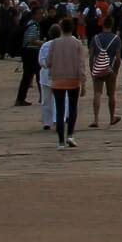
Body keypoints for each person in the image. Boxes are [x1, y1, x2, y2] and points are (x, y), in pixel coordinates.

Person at [47, 21, 85, 149]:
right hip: (73, 79)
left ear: (61, 29)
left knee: (60, 109)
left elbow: (48, 62)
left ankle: (60, 142)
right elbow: (81, 64)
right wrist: (83, 81)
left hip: (58, 80)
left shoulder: (54, 43)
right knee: (73, 108)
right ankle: (70, 135)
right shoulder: (77, 43)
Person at [89, 15, 122, 128]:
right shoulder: (116, 39)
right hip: (110, 69)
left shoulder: (95, 38)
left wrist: (92, 70)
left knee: (97, 93)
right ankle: (112, 117)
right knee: (111, 94)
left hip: (98, 68)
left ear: (102, 25)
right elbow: (118, 58)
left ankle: (96, 119)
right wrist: (116, 71)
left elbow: (91, 56)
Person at [17, 9, 43, 106]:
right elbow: (31, 40)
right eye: (40, 14)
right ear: (35, 15)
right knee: (38, 74)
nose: (41, 16)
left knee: (27, 76)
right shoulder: (33, 25)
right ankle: (43, 97)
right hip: (31, 51)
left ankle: (21, 98)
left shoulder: (32, 24)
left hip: (28, 51)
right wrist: (43, 43)